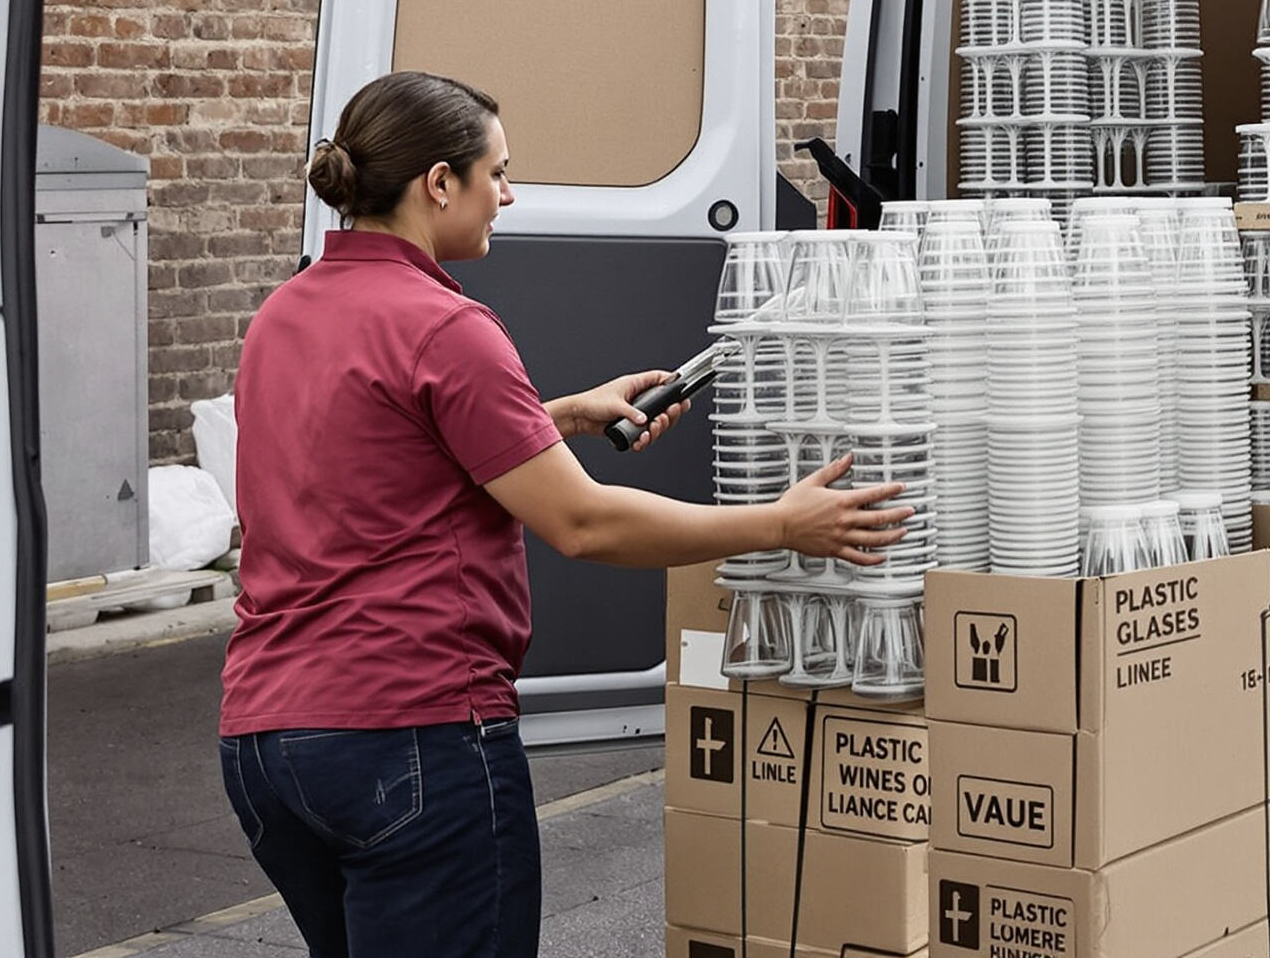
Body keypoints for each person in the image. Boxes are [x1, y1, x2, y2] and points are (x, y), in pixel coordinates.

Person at [215, 70, 908, 958]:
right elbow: (585, 524)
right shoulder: (448, 328)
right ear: (438, 183)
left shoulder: (284, 312)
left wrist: (565, 415)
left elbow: (381, 464)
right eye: (496, 173)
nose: (508, 195)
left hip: (267, 747)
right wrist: (781, 523)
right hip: (410, 737)